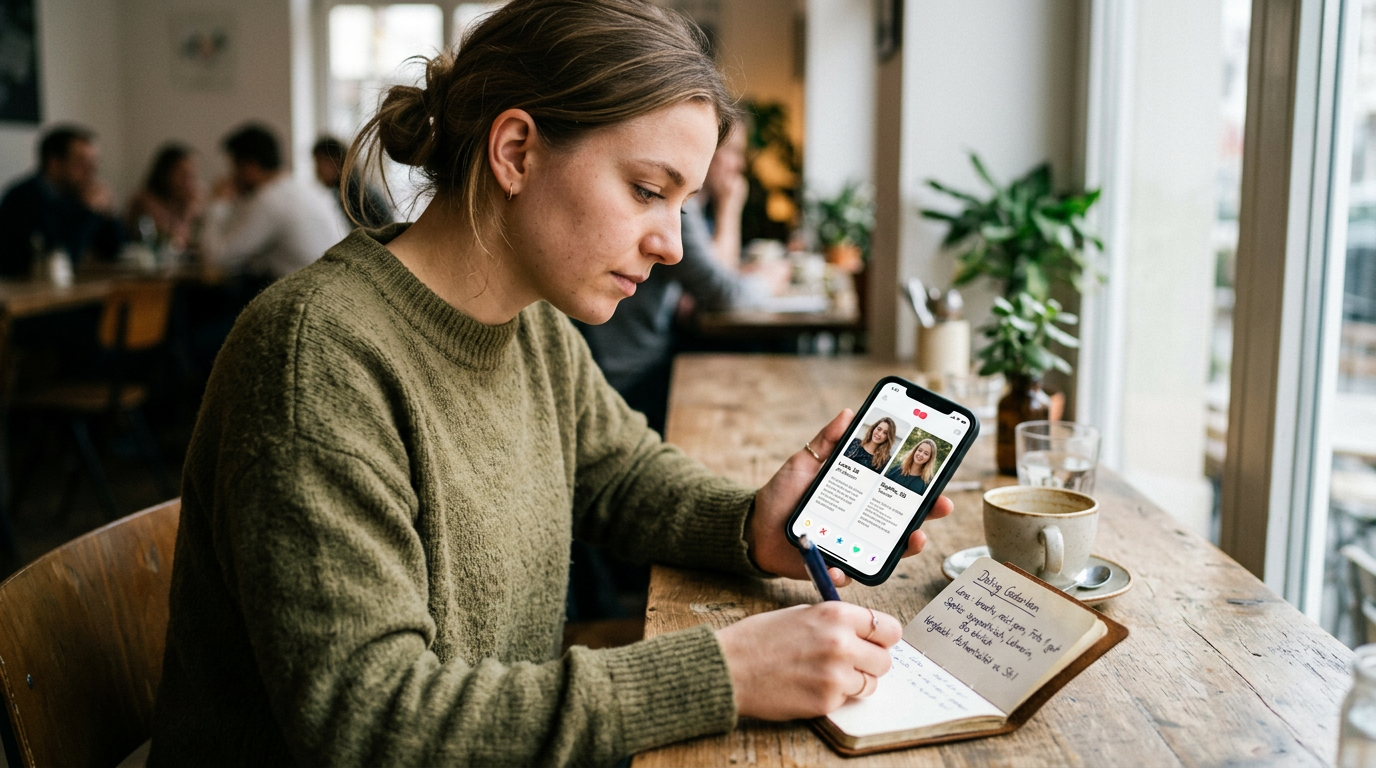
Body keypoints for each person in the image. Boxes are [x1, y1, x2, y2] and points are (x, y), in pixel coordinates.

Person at [149, 2, 954, 764]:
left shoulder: (528, 321)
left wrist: (750, 525)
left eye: (684, 203)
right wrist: (724, 674)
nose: (672, 246)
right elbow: (373, 721)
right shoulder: (317, 358)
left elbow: (623, 477)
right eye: (647, 190)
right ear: (516, 152)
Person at [199, 123, 349, 281]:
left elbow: (215, 257)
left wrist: (218, 203)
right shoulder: (305, 188)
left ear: (249, 166)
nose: (232, 176)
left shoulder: (269, 200)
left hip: (308, 295)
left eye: (235, 168)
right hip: (335, 287)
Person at [0, 125, 123, 277]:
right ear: (54, 164)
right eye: (82, 163)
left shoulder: (77, 195)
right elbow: (58, 259)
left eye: (94, 162)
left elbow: (117, 252)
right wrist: (89, 214)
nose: (92, 170)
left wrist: (110, 214)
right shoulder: (22, 199)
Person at [125, 143, 204, 253]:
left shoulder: (185, 202)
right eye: (183, 175)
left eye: (192, 176)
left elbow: (203, 240)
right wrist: (190, 209)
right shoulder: (144, 200)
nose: (189, 182)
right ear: (165, 174)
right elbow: (170, 239)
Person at [312, 135, 395, 229]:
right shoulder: (347, 190)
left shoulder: (354, 193)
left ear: (336, 160)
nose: (317, 171)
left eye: (320, 164)